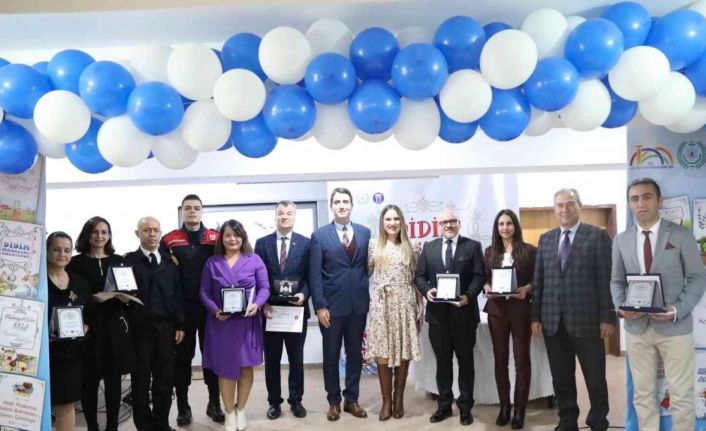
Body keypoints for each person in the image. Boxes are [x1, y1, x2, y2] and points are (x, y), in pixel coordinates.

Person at [611, 178, 706, 431]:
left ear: (659, 201)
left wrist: (677, 310)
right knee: (642, 394)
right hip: (636, 329)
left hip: (675, 328)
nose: (640, 203)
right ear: (630, 204)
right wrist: (622, 307)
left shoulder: (681, 235)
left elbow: (698, 277)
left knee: (681, 395)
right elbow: (616, 281)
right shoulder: (621, 240)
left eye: (647, 197)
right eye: (634, 199)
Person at [531, 188, 616, 431]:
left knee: (595, 378)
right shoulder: (546, 239)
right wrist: (535, 316)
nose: (564, 209)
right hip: (553, 322)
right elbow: (539, 281)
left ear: (579, 206)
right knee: (561, 378)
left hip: (588, 322)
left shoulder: (596, 236)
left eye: (569, 204)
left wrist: (608, 317)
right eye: (560, 205)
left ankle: (598, 421)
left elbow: (605, 279)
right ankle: (567, 420)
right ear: (554, 209)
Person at [415, 209, 485, 426]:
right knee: (443, 364)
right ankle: (444, 406)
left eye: (452, 221)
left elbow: (479, 276)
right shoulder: (429, 248)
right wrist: (427, 290)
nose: (448, 225)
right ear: (438, 225)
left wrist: (468, 296)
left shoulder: (472, 246)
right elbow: (419, 276)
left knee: (466, 363)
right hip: (438, 318)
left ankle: (465, 408)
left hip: (464, 316)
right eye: (444, 222)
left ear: (459, 223)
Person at [200, 219, 270, 431]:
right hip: (221, 324)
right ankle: (229, 413)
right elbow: (204, 292)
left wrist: (257, 304)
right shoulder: (212, 262)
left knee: (246, 367)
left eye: (236, 235)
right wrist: (215, 310)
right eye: (228, 235)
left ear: (243, 237)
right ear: (221, 238)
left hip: (247, 323)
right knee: (226, 369)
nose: (232, 239)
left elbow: (264, 288)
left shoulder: (254, 259)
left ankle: (241, 410)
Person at [161, 194, 224, 425]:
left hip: (210, 310)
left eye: (196, 208)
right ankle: (183, 407)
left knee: (212, 358)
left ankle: (214, 403)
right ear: (182, 211)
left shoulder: (215, 238)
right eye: (188, 208)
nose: (192, 211)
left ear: (202, 211)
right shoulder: (169, 240)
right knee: (182, 360)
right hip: (182, 311)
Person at [309, 187, 371, 421]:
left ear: (352, 205)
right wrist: (320, 306)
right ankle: (334, 401)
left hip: (358, 306)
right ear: (332, 206)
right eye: (337, 202)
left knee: (355, 355)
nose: (342, 205)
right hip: (331, 308)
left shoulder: (365, 233)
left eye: (345, 201)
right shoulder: (319, 236)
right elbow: (315, 275)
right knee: (331, 356)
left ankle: (351, 400)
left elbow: (367, 266)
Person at [68, 216, 130, 431]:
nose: (100, 236)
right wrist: (90, 299)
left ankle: (112, 426)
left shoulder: (119, 260)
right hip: (88, 328)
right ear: (87, 234)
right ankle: (92, 427)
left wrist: (127, 297)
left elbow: (129, 288)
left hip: (114, 328)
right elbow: (70, 294)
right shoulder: (75, 263)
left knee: (114, 381)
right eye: (95, 231)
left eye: (104, 232)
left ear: (109, 235)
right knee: (89, 382)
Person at [124, 217, 185, 431]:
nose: (152, 234)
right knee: (140, 382)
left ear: (160, 233)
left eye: (155, 230)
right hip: (139, 331)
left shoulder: (170, 261)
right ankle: (144, 426)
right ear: (137, 233)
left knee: (164, 382)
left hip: (166, 330)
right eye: (146, 230)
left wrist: (180, 324)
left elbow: (177, 294)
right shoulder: (129, 262)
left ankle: (162, 424)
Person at [254, 201, 310, 420]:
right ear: (275, 216)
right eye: (281, 213)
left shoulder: (306, 243)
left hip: (296, 312)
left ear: (295, 217)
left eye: (289, 213)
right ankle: (274, 402)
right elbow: (258, 277)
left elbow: (311, 276)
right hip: (271, 312)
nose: (284, 216)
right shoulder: (262, 243)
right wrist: (263, 303)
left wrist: (304, 294)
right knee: (272, 360)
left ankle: (296, 400)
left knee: (296, 359)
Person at [366, 204, 422, 421]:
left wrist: (420, 304)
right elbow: (365, 272)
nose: (392, 223)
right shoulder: (373, 246)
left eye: (396, 219)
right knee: (383, 352)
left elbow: (417, 278)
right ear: (382, 222)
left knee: (403, 350)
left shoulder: (412, 246)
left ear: (402, 222)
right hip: (381, 304)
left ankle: (399, 399)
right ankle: (386, 401)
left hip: (405, 303)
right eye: (388, 219)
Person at [482, 209, 537, 429]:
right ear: (497, 228)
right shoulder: (489, 252)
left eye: (509, 223)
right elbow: (485, 279)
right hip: (497, 312)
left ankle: (520, 409)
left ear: (515, 226)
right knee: (500, 360)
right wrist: (487, 286)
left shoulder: (529, 251)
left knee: (522, 361)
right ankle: (504, 406)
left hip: (520, 311)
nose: (505, 228)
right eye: (501, 224)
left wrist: (527, 289)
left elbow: (537, 279)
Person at [47, 231, 91, 431]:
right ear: (47, 251)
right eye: (56, 249)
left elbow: (90, 313)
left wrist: (86, 325)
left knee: (66, 404)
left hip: (70, 353)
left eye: (67, 250)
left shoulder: (80, 283)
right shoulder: (35, 282)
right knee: (35, 401)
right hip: (42, 353)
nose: (62, 254)